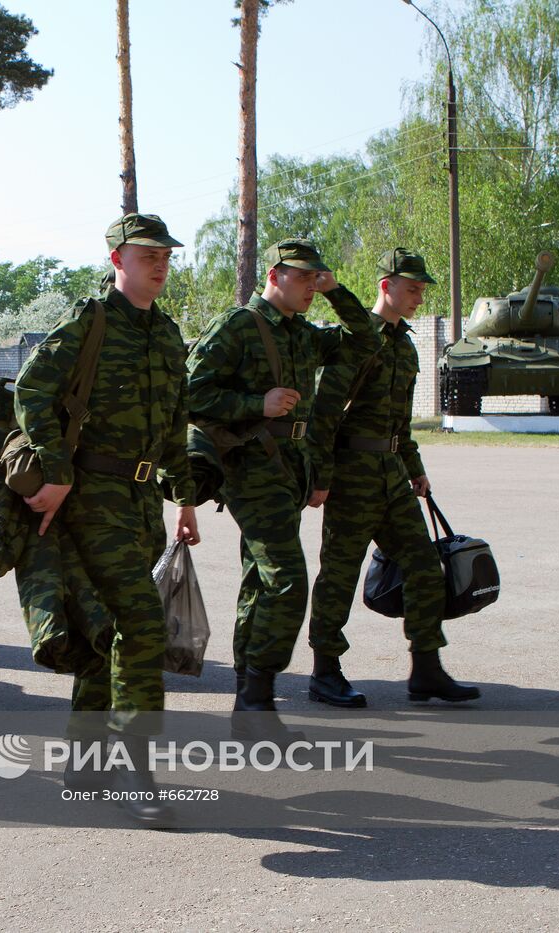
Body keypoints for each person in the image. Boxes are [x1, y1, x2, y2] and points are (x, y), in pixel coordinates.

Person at [15, 213, 199, 825]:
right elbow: (31, 392)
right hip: (92, 498)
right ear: (118, 259)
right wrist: (58, 469)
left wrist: (185, 497)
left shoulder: (168, 335)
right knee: (142, 625)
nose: (161, 262)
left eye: (166, 254)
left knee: (106, 636)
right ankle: (134, 768)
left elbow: (175, 423)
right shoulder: (89, 322)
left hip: (144, 503)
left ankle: (85, 764)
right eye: (148, 254)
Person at [188, 238, 378, 729]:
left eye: (317, 276)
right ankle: (258, 692)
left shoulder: (303, 333)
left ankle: (249, 694)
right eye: (303, 277)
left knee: (260, 580)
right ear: (274, 276)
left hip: (289, 468)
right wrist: (258, 404)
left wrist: (337, 291)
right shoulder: (237, 326)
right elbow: (189, 394)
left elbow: (366, 341)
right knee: (287, 579)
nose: (311, 285)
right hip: (250, 468)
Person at [306, 247, 480, 706]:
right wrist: (321, 476)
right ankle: (325, 671)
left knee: (424, 567)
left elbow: (400, 423)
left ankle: (426, 668)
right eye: (413, 288)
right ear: (387, 286)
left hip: (392, 476)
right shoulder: (356, 338)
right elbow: (324, 412)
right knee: (339, 575)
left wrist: (415, 470)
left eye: (423, 289)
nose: (419, 297)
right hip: (351, 477)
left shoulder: (404, 343)